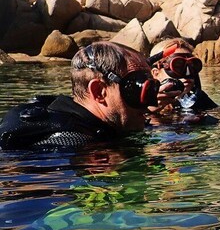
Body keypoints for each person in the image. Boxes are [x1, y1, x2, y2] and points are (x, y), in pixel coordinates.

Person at [0, 42, 159, 150]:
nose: (149, 101)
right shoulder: (74, 144)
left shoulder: (66, 113)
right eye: (134, 89)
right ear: (99, 92)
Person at [147, 38, 220, 122]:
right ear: (156, 73)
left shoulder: (197, 99)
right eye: (178, 66)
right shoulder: (139, 102)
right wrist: (150, 109)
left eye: (192, 66)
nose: (187, 74)